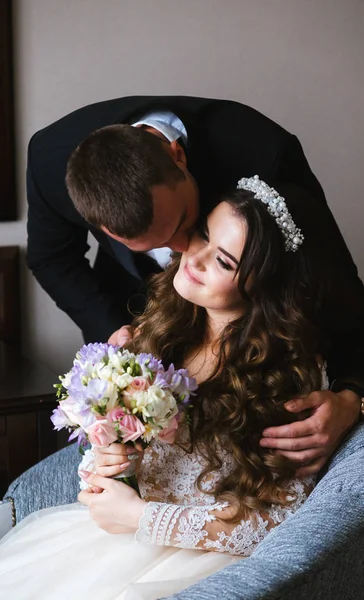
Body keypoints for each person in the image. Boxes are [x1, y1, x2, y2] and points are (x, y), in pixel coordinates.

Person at [4, 96, 364, 518]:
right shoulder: (53, 160)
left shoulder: (262, 153)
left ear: (179, 158)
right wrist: (118, 345)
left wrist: (353, 395)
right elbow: (52, 258)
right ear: (103, 229)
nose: (184, 254)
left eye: (189, 227)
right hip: (145, 318)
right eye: (156, 246)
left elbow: (341, 290)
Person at [0, 180, 332, 599]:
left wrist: (143, 517)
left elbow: (282, 522)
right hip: (111, 541)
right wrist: (104, 465)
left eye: (224, 262)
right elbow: (121, 456)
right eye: (204, 236)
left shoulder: (286, 376)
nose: (196, 259)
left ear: (261, 286)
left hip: (201, 559)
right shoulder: (157, 332)